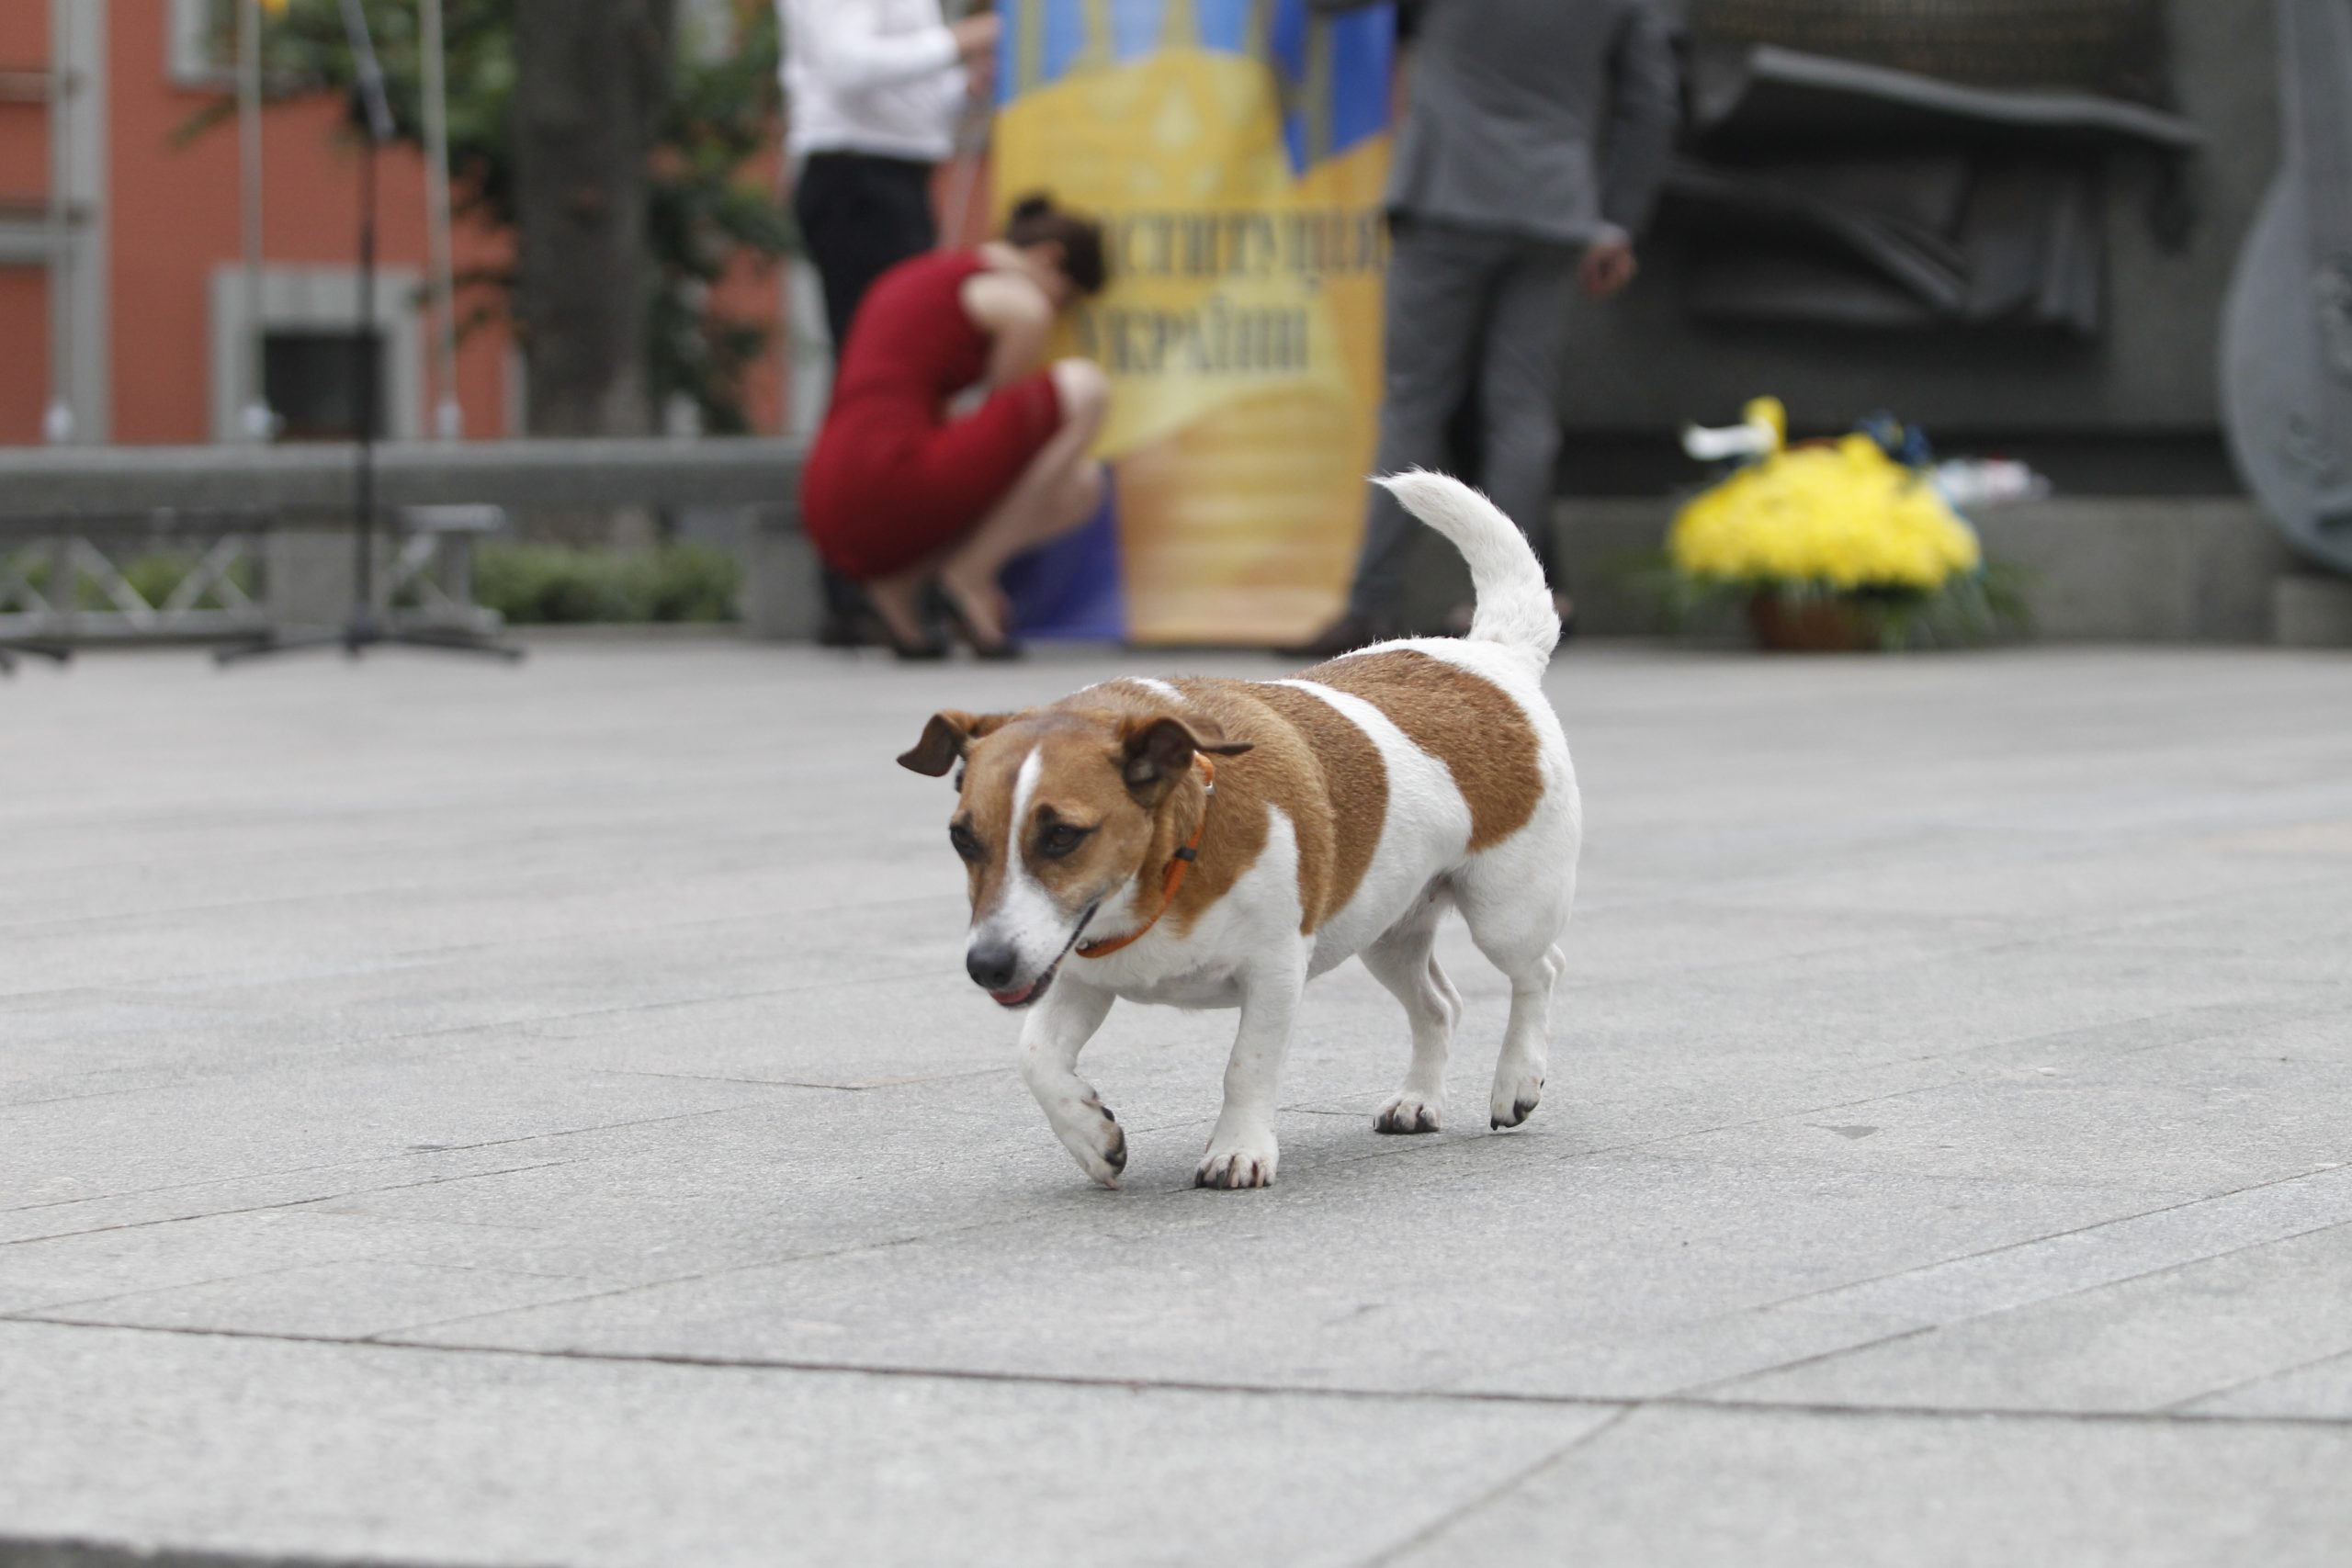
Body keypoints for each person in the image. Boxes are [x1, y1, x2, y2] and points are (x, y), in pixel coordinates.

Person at [1289, 0, 1679, 657]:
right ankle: (1505, 609)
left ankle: (1371, 603)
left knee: (1413, 402)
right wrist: (1618, 220)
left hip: (1446, 193)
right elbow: (1653, 104)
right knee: (1520, 412)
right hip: (1553, 208)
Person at [777, 0, 1001, 647]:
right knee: (877, 381)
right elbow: (848, 68)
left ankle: (875, 578)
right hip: (859, 178)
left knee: (889, 379)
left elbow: (891, 89)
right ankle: (857, 583)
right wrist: (964, 38)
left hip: (887, 176)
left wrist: (955, 86)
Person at [799, 196, 1111, 660]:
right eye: (1064, 297)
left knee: (1065, 476)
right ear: (1050, 257)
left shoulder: (914, 275)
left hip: (825, 493)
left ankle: (899, 590)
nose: (1054, 313)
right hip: (891, 476)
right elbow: (1011, 431)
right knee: (1086, 396)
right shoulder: (1023, 303)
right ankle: (968, 576)